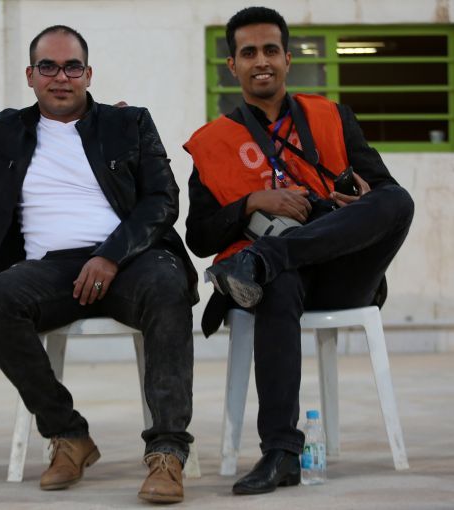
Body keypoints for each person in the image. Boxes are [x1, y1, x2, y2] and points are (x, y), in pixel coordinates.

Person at [0, 25, 199, 504]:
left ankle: (167, 451)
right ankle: (68, 434)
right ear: (30, 76)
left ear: (88, 74)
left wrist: (109, 255)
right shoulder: (5, 133)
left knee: (168, 287)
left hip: (132, 258)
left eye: (72, 67)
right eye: (48, 67)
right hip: (50, 270)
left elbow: (163, 200)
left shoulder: (129, 123)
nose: (61, 77)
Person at [183, 6, 413, 496]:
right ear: (233, 66)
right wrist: (251, 203)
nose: (261, 61)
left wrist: (359, 200)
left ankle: (266, 256)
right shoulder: (213, 143)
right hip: (273, 284)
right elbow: (198, 237)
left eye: (271, 50)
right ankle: (281, 452)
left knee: (397, 201)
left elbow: (384, 191)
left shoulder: (333, 117)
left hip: (343, 271)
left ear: (288, 59)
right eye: (249, 53)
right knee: (276, 281)